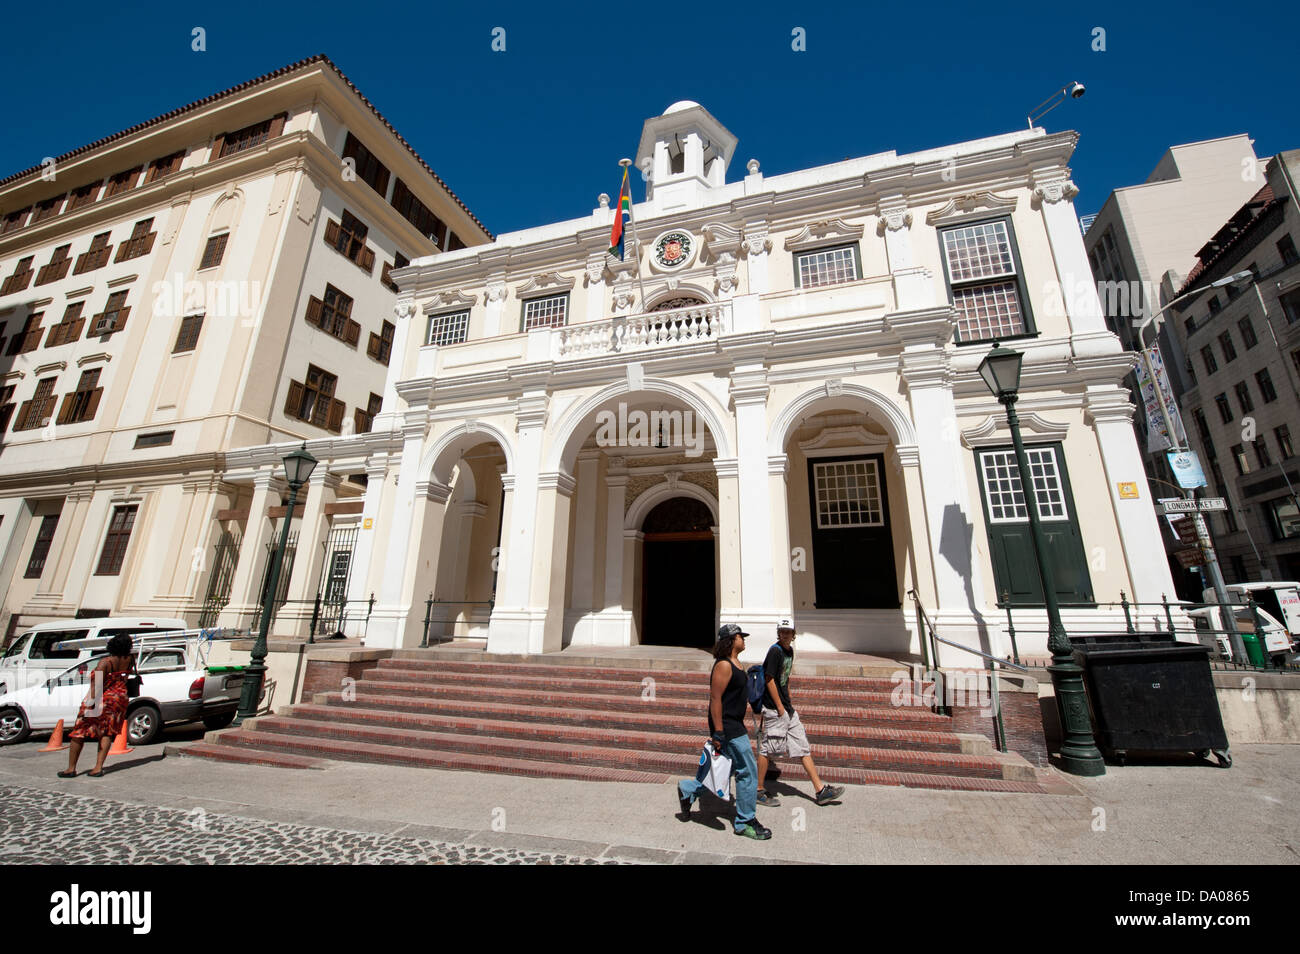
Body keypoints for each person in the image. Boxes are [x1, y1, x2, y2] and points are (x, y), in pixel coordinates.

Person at [676, 623, 771, 840]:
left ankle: (688, 789)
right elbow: (715, 698)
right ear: (730, 640)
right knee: (747, 771)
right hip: (728, 727)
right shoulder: (724, 666)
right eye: (740, 636)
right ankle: (745, 821)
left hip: (734, 724)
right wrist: (718, 731)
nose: (743, 639)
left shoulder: (737, 664)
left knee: (722, 770)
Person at [756, 619, 845, 807]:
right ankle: (758, 789)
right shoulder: (775, 651)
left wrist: (788, 701)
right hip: (774, 709)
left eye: (788, 631)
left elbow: (784, 678)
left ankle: (820, 790)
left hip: (787, 708)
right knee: (768, 749)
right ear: (778, 633)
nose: (785, 634)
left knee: (802, 745)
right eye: (782, 631)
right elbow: (769, 679)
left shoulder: (789, 651)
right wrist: (780, 706)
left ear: (793, 633)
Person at [59, 633, 135, 778]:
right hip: (119, 698)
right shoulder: (130, 659)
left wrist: (88, 704)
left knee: (79, 731)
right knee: (107, 732)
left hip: (102, 699)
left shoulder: (105, 662)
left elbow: (97, 685)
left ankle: (71, 768)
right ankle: (98, 767)